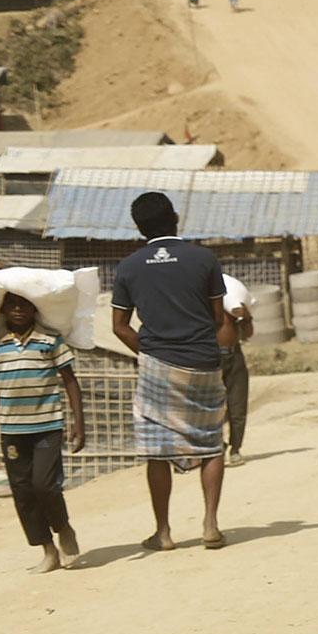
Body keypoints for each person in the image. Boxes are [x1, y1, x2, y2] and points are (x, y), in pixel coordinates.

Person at [110, 192, 231, 551]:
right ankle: (210, 524)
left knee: (156, 449)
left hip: (157, 366)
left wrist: (149, 354)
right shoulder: (203, 259)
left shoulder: (129, 267)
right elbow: (218, 318)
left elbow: (119, 326)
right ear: (175, 218)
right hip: (204, 361)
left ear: (138, 228)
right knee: (210, 442)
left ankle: (163, 532)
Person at [0, 290, 84, 573]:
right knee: (23, 491)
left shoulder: (50, 340)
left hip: (47, 426)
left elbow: (70, 381)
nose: (18, 309)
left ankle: (63, 527)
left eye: (24, 304)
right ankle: (48, 550)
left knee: (44, 484)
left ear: (35, 309)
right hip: (12, 430)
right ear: (2, 310)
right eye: (12, 305)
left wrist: (79, 423)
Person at [220, 276, 254, 467]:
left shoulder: (231, 300)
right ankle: (218, 445)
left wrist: (246, 316)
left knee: (238, 405)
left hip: (235, 354)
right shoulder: (202, 303)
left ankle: (235, 449)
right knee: (210, 408)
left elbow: (248, 333)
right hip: (211, 358)